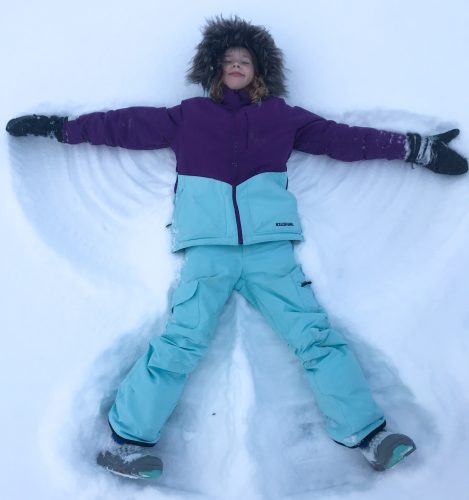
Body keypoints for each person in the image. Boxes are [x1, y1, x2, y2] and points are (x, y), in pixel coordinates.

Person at [6, 15, 467, 479]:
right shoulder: (189, 116)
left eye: (245, 59)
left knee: (315, 337)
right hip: (208, 249)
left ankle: (369, 436)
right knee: (181, 341)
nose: (236, 65)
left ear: (261, 69)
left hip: (270, 249)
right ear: (212, 68)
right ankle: (125, 442)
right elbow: (121, 126)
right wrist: (58, 127)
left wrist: (416, 148)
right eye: (227, 59)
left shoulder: (282, 118)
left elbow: (345, 140)